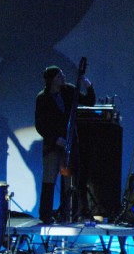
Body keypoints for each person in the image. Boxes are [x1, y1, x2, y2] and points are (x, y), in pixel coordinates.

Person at [34, 64, 95, 223]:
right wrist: (55, 139)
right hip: (52, 146)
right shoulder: (43, 97)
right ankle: (45, 214)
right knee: (49, 178)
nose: (63, 77)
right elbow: (40, 125)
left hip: (69, 143)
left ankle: (68, 213)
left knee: (69, 180)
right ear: (53, 79)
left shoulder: (68, 90)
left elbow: (89, 101)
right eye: (60, 75)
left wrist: (88, 85)